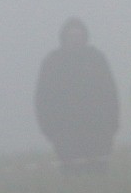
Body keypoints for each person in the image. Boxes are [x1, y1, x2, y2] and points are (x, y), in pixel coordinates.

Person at [34, 16, 120, 173]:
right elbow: (43, 100)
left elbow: (110, 94)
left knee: (98, 176)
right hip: (65, 134)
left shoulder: (96, 59)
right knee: (72, 178)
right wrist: (49, 130)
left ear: (85, 37)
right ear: (64, 37)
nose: (76, 40)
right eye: (71, 36)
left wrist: (112, 125)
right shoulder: (52, 62)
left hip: (98, 132)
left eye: (79, 36)